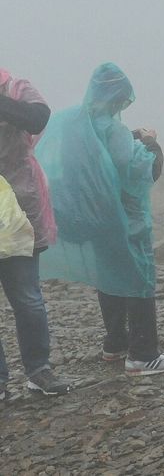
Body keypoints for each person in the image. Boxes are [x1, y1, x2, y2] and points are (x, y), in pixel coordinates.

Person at [37, 63, 164, 376]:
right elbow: (136, 172)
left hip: (93, 217)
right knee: (138, 277)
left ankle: (115, 343)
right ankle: (143, 355)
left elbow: (90, 157)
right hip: (125, 220)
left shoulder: (77, 124)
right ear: (120, 97)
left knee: (109, 275)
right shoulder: (114, 130)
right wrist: (150, 143)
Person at [0, 69, 72, 398]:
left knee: (27, 298)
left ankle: (38, 370)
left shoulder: (15, 88)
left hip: (18, 212)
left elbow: (38, 117)